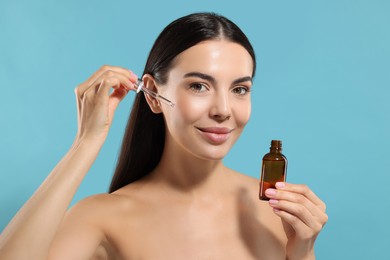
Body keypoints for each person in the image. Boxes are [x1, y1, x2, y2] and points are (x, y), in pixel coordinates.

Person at [0, 12, 327, 260]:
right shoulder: (102, 217)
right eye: (199, 85)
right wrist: (86, 141)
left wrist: (302, 250)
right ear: (154, 95)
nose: (224, 110)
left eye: (240, 89)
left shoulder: (275, 211)